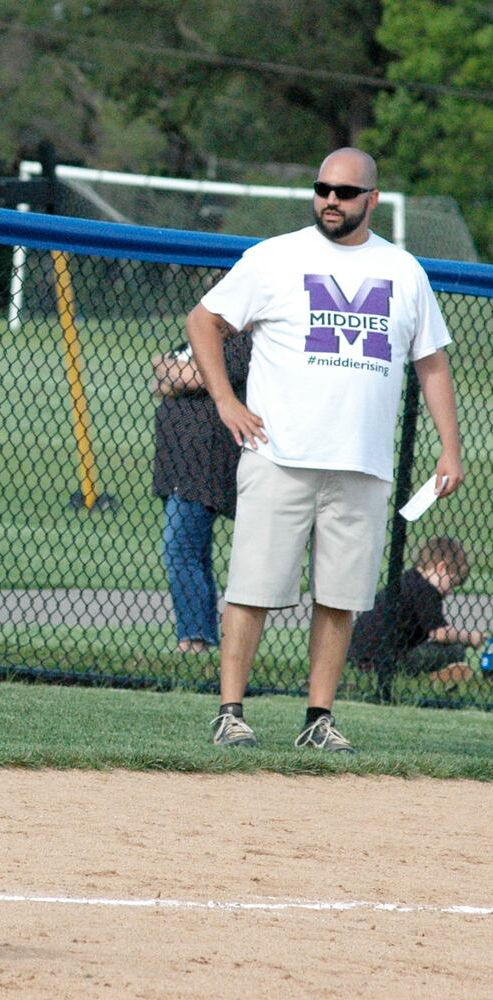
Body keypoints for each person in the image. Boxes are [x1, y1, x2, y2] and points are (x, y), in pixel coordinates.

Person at [185, 147, 463, 753]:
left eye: (344, 191)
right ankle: (230, 711)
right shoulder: (275, 257)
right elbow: (203, 321)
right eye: (322, 189)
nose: (330, 201)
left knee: (340, 598)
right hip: (279, 452)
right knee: (252, 588)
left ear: (372, 200)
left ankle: (319, 718)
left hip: (359, 461)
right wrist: (227, 401)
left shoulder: (404, 271)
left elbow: (432, 363)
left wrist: (451, 448)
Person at [152, 330, 252, 653]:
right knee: (193, 553)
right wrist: (179, 374)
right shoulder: (204, 338)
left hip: (203, 463)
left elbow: (193, 376)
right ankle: (201, 637)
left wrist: (182, 375)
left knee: (180, 549)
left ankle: (194, 638)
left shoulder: (244, 344)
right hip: (177, 463)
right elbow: (160, 374)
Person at [349, 536, 486, 683]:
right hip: (388, 662)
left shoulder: (409, 580)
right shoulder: (426, 590)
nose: (450, 592)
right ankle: (435, 677)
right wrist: (471, 638)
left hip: (359, 656)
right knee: (456, 650)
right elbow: (440, 633)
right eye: (452, 583)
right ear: (441, 568)